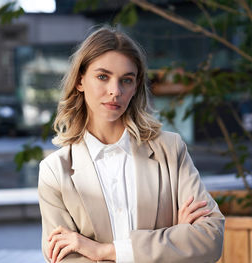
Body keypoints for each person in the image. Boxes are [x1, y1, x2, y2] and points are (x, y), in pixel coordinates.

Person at [38, 26, 224, 263]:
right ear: (80, 81)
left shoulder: (170, 149)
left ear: (136, 87)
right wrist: (172, 241)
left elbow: (210, 238)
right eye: (103, 76)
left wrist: (100, 251)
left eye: (126, 80)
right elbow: (65, 259)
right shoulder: (55, 172)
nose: (115, 91)